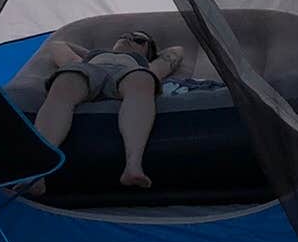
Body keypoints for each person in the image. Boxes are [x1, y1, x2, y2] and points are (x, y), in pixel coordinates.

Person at [32, 28, 186, 189]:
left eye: (138, 40)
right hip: (90, 70)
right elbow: (57, 44)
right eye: (124, 36)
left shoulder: (147, 64)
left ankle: (133, 165)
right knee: (65, 80)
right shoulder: (87, 59)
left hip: (129, 73)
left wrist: (146, 56)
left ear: (148, 50)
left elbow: (177, 51)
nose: (129, 39)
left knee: (144, 79)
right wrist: (92, 54)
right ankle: (39, 168)